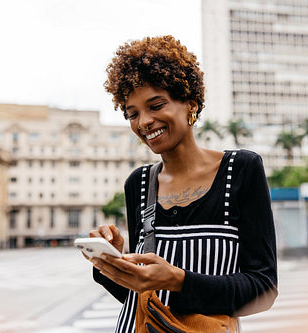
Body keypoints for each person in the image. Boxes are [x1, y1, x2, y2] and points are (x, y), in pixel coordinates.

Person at [87, 35, 277, 333]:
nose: (144, 122)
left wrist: (178, 281)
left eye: (156, 105)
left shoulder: (241, 170)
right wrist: (112, 263)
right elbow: (140, 299)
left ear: (191, 103)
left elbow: (263, 289)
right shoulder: (138, 184)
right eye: (132, 113)